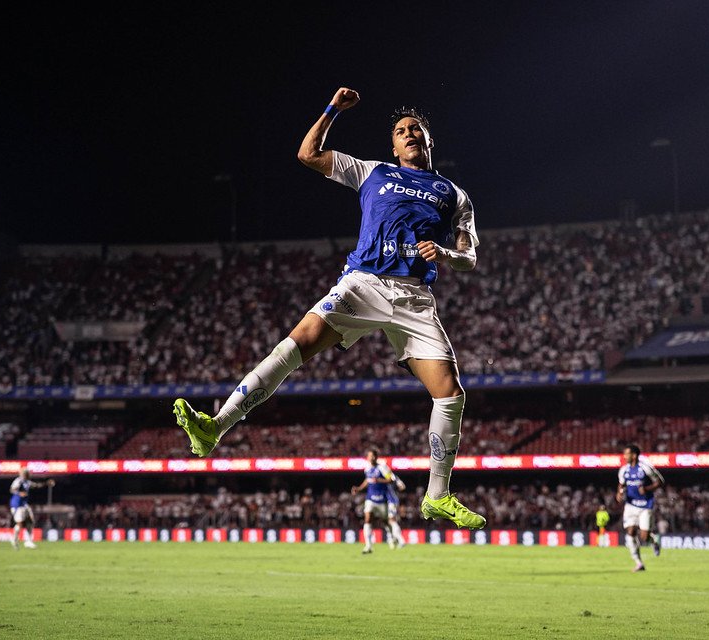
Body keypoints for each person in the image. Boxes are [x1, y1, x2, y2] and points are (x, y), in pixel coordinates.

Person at [173, 87, 485, 530]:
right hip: (362, 283)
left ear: (428, 139)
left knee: (450, 393)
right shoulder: (373, 172)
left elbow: (469, 255)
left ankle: (437, 496)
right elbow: (308, 154)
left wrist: (448, 255)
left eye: (416, 128)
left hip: (414, 297)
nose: (409, 133)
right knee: (295, 344)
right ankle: (215, 427)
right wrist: (332, 110)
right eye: (401, 131)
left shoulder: (453, 194)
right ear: (393, 147)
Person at [616, 444, 664, 571]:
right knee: (630, 532)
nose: (624, 456)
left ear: (634, 455)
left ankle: (654, 541)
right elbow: (621, 484)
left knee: (644, 537)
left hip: (645, 505)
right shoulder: (623, 470)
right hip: (630, 505)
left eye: (627, 454)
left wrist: (647, 489)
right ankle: (639, 563)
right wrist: (619, 493)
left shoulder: (645, 468)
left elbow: (660, 481)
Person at [351, 448, 405, 553]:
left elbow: (390, 479)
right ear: (367, 458)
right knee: (367, 519)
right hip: (370, 498)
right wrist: (359, 488)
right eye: (370, 456)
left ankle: (392, 538)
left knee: (386, 522)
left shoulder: (382, 467)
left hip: (383, 499)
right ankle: (368, 546)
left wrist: (379, 480)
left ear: (376, 457)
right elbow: (367, 480)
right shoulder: (367, 469)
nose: (371, 458)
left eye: (373, 456)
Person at [9, 467, 54, 550]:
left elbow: (36, 485)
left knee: (30, 522)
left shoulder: (27, 482)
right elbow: (12, 490)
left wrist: (46, 483)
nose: (29, 474)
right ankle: (14, 539)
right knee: (20, 524)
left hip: (24, 505)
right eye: (27, 473)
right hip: (17, 505)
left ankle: (28, 541)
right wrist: (19, 493)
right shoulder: (18, 481)